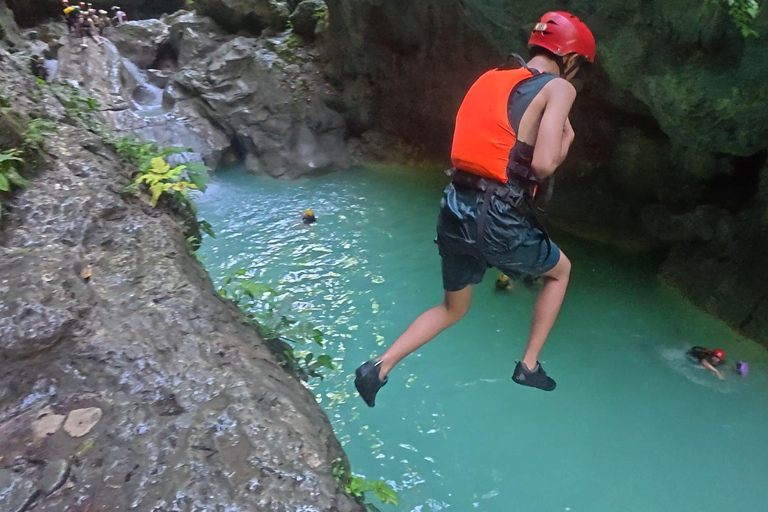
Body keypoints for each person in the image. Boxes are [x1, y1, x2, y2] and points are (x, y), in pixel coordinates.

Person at [354, 12, 596, 406]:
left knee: (453, 307)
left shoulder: (490, 77)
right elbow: (544, 163)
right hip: (496, 215)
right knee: (560, 272)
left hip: (454, 206)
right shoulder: (557, 88)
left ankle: (377, 368)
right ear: (569, 58)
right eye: (579, 67)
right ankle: (529, 365)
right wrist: (568, 138)